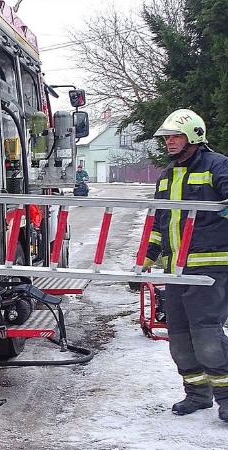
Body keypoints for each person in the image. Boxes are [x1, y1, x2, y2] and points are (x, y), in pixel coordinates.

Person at [145, 108, 228, 421]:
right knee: (179, 337)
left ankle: (227, 398)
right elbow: (159, 223)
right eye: (167, 137)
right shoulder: (168, 175)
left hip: (211, 270)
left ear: (194, 135)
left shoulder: (217, 166)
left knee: (207, 336)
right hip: (176, 271)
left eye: (176, 136)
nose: (169, 141)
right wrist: (146, 260)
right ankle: (197, 394)